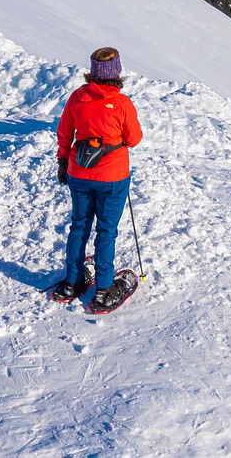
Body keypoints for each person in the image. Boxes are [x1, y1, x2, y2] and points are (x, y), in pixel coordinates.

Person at [54, 46, 143, 309]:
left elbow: (64, 132)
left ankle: (72, 281)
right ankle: (103, 288)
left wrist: (62, 161)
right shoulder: (123, 103)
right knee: (106, 231)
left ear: (93, 72)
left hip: (79, 172)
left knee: (79, 226)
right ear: (116, 73)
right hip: (113, 177)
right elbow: (134, 139)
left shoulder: (77, 98)